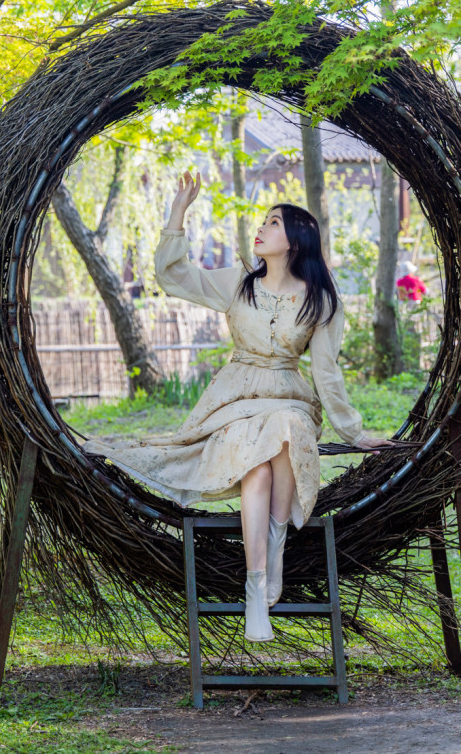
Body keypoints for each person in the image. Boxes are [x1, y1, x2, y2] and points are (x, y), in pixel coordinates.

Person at [82, 171, 394, 642]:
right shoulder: (238, 282)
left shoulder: (322, 300)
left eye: (274, 223)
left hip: (289, 397)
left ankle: (273, 551)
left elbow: (327, 372)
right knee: (258, 470)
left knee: (286, 427)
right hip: (234, 400)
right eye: (263, 221)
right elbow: (173, 276)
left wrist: (353, 432)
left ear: (296, 241)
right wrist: (178, 212)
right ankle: (256, 584)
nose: (262, 228)